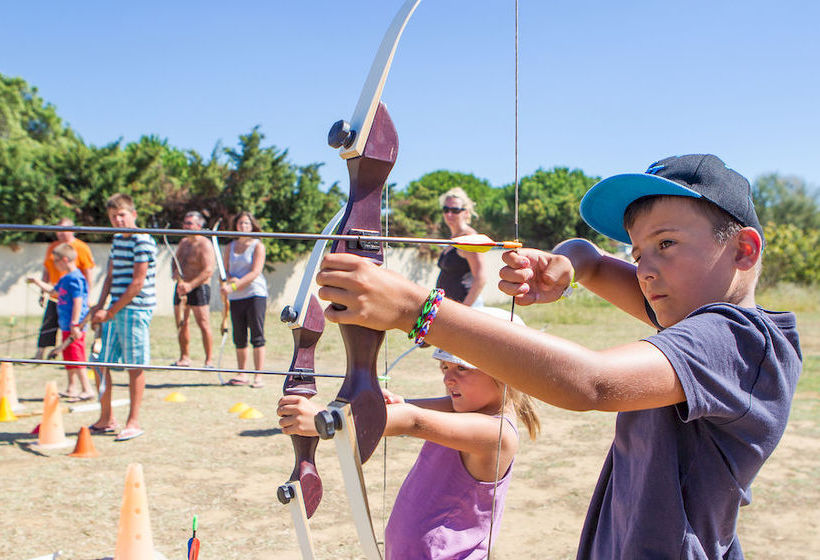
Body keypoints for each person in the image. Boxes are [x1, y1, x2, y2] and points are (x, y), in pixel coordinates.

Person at [315, 154, 802, 558]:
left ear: (743, 250)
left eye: (666, 244)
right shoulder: (693, 317)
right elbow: (590, 257)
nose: (646, 271)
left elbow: (593, 383)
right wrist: (572, 263)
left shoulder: (736, 339)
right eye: (636, 253)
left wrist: (412, 308)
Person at [277, 307, 540, 559]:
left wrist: (325, 419)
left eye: (462, 368)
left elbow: (412, 420)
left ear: (506, 373)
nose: (449, 378)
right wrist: (384, 406)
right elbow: (405, 410)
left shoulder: (496, 434)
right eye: (445, 368)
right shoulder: (460, 407)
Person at [89, 193, 157, 442]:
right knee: (98, 361)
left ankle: (133, 421)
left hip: (135, 309)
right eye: (113, 216)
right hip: (113, 311)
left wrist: (110, 310)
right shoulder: (118, 240)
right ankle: (106, 418)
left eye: (122, 215)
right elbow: (110, 275)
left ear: (133, 214)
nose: (117, 220)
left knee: (134, 365)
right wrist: (99, 305)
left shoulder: (143, 240)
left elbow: (137, 282)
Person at [27, 243, 95, 402]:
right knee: (69, 357)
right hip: (65, 324)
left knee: (77, 357)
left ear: (64, 260)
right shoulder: (65, 278)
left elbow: (79, 301)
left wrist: (74, 323)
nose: (54, 265)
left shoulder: (76, 279)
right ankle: (72, 388)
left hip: (73, 326)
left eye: (55, 261)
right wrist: (38, 282)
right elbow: (54, 292)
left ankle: (87, 389)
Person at [32, 217, 95, 361]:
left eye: (63, 230)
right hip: (56, 293)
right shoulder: (53, 247)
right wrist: (42, 290)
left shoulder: (81, 247)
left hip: (72, 297)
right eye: (58, 230)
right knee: (49, 323)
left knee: (73, 327)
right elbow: (46, 269)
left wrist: (87, 296)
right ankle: (40, 353)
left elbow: (88, 272)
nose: (59, 234)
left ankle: (73, 357)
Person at [221, 211, 267, 388]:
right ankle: (242, 374)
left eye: (247, 223)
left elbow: (255, 272)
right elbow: (226, 271)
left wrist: (234, 285)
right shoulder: (230, 246)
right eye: (240, 223)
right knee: (239, 336)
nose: (243, 226)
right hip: (236, 297)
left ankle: (259, 376)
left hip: (255, 294)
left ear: (252, 225)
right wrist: (226, 282)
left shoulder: (257, 245)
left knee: (257, 335)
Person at [171, 211, 216, 368]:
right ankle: (184, 357)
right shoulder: (183, 243)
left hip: (199, 288)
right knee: (182, 323)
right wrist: (175, 274)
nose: (186, 226)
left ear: (198, 226)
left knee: (203, 323)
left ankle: (209, 360)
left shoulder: (204, 244)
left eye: (190, 223)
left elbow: (208, 270)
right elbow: (175, 261)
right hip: (181, 287)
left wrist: (190, 285)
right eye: (185, 223)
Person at [436, 187, 487, 306]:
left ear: (466, 212)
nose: (449, 214)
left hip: (467, 307)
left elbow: (480, 278)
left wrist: (465, 309)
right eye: (446, 209)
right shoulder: (453, 239)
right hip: (450, 307)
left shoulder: (469, 237)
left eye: (455, 210)